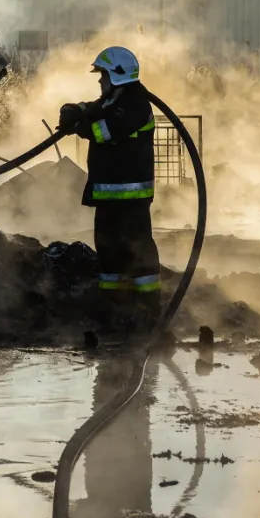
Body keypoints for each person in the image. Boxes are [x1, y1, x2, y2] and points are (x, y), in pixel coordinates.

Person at [58, 46, 159, 333]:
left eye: (102, 75)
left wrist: (79, 125)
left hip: (130, 196)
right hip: (111, 195)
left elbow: (106, 130)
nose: (99, 81)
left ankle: (148, 309)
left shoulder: (136, 102)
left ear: (117, 75)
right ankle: (114, 305)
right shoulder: (116, 98)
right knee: (109, 250)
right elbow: (96, 108)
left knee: (137, 250)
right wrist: (75, 109)